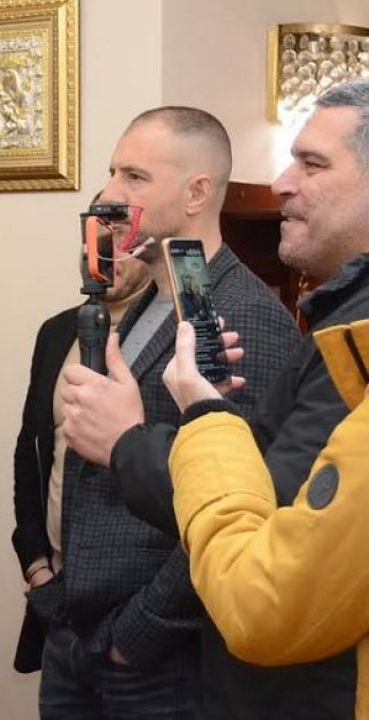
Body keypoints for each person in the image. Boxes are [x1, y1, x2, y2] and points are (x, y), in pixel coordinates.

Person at [113, 78, 369, 718]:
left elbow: (267, 565)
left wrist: (159, 430)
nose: (281, 182)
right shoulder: (339, 328)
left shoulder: (280, 322)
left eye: (312, 164)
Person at [51, 106, 298, 719]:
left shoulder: (244, 315)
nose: (109, 194)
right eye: (113, 172)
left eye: (135, 177)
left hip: (159, 665)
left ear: (197, 193)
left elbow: (246, 499)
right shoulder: (154, 300)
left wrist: (135, 638)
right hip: (81, 639)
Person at [10, 247, 151, 673]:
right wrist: (36, 566)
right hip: (58, 598)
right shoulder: (57, 332)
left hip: (134, 611)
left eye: (121, 240)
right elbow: (31, 449)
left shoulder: (170, 334)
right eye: (96, 238)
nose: (105, 254)